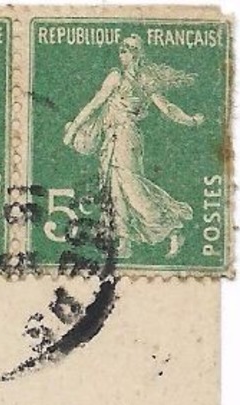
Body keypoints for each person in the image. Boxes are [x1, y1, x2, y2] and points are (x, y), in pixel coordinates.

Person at [63, 36, 204, 261]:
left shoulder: (141, 80)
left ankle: (172, 226)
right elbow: (95, 104)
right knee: (114, 190)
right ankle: (125, 242)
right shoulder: (116, 76)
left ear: (138, 53)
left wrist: (190, 120)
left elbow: (166, 108)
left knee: (132, 188)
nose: (124, 53)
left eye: (129, 49)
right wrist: (73, 130)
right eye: (122, 49)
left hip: (126, 138)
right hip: (113, 138)